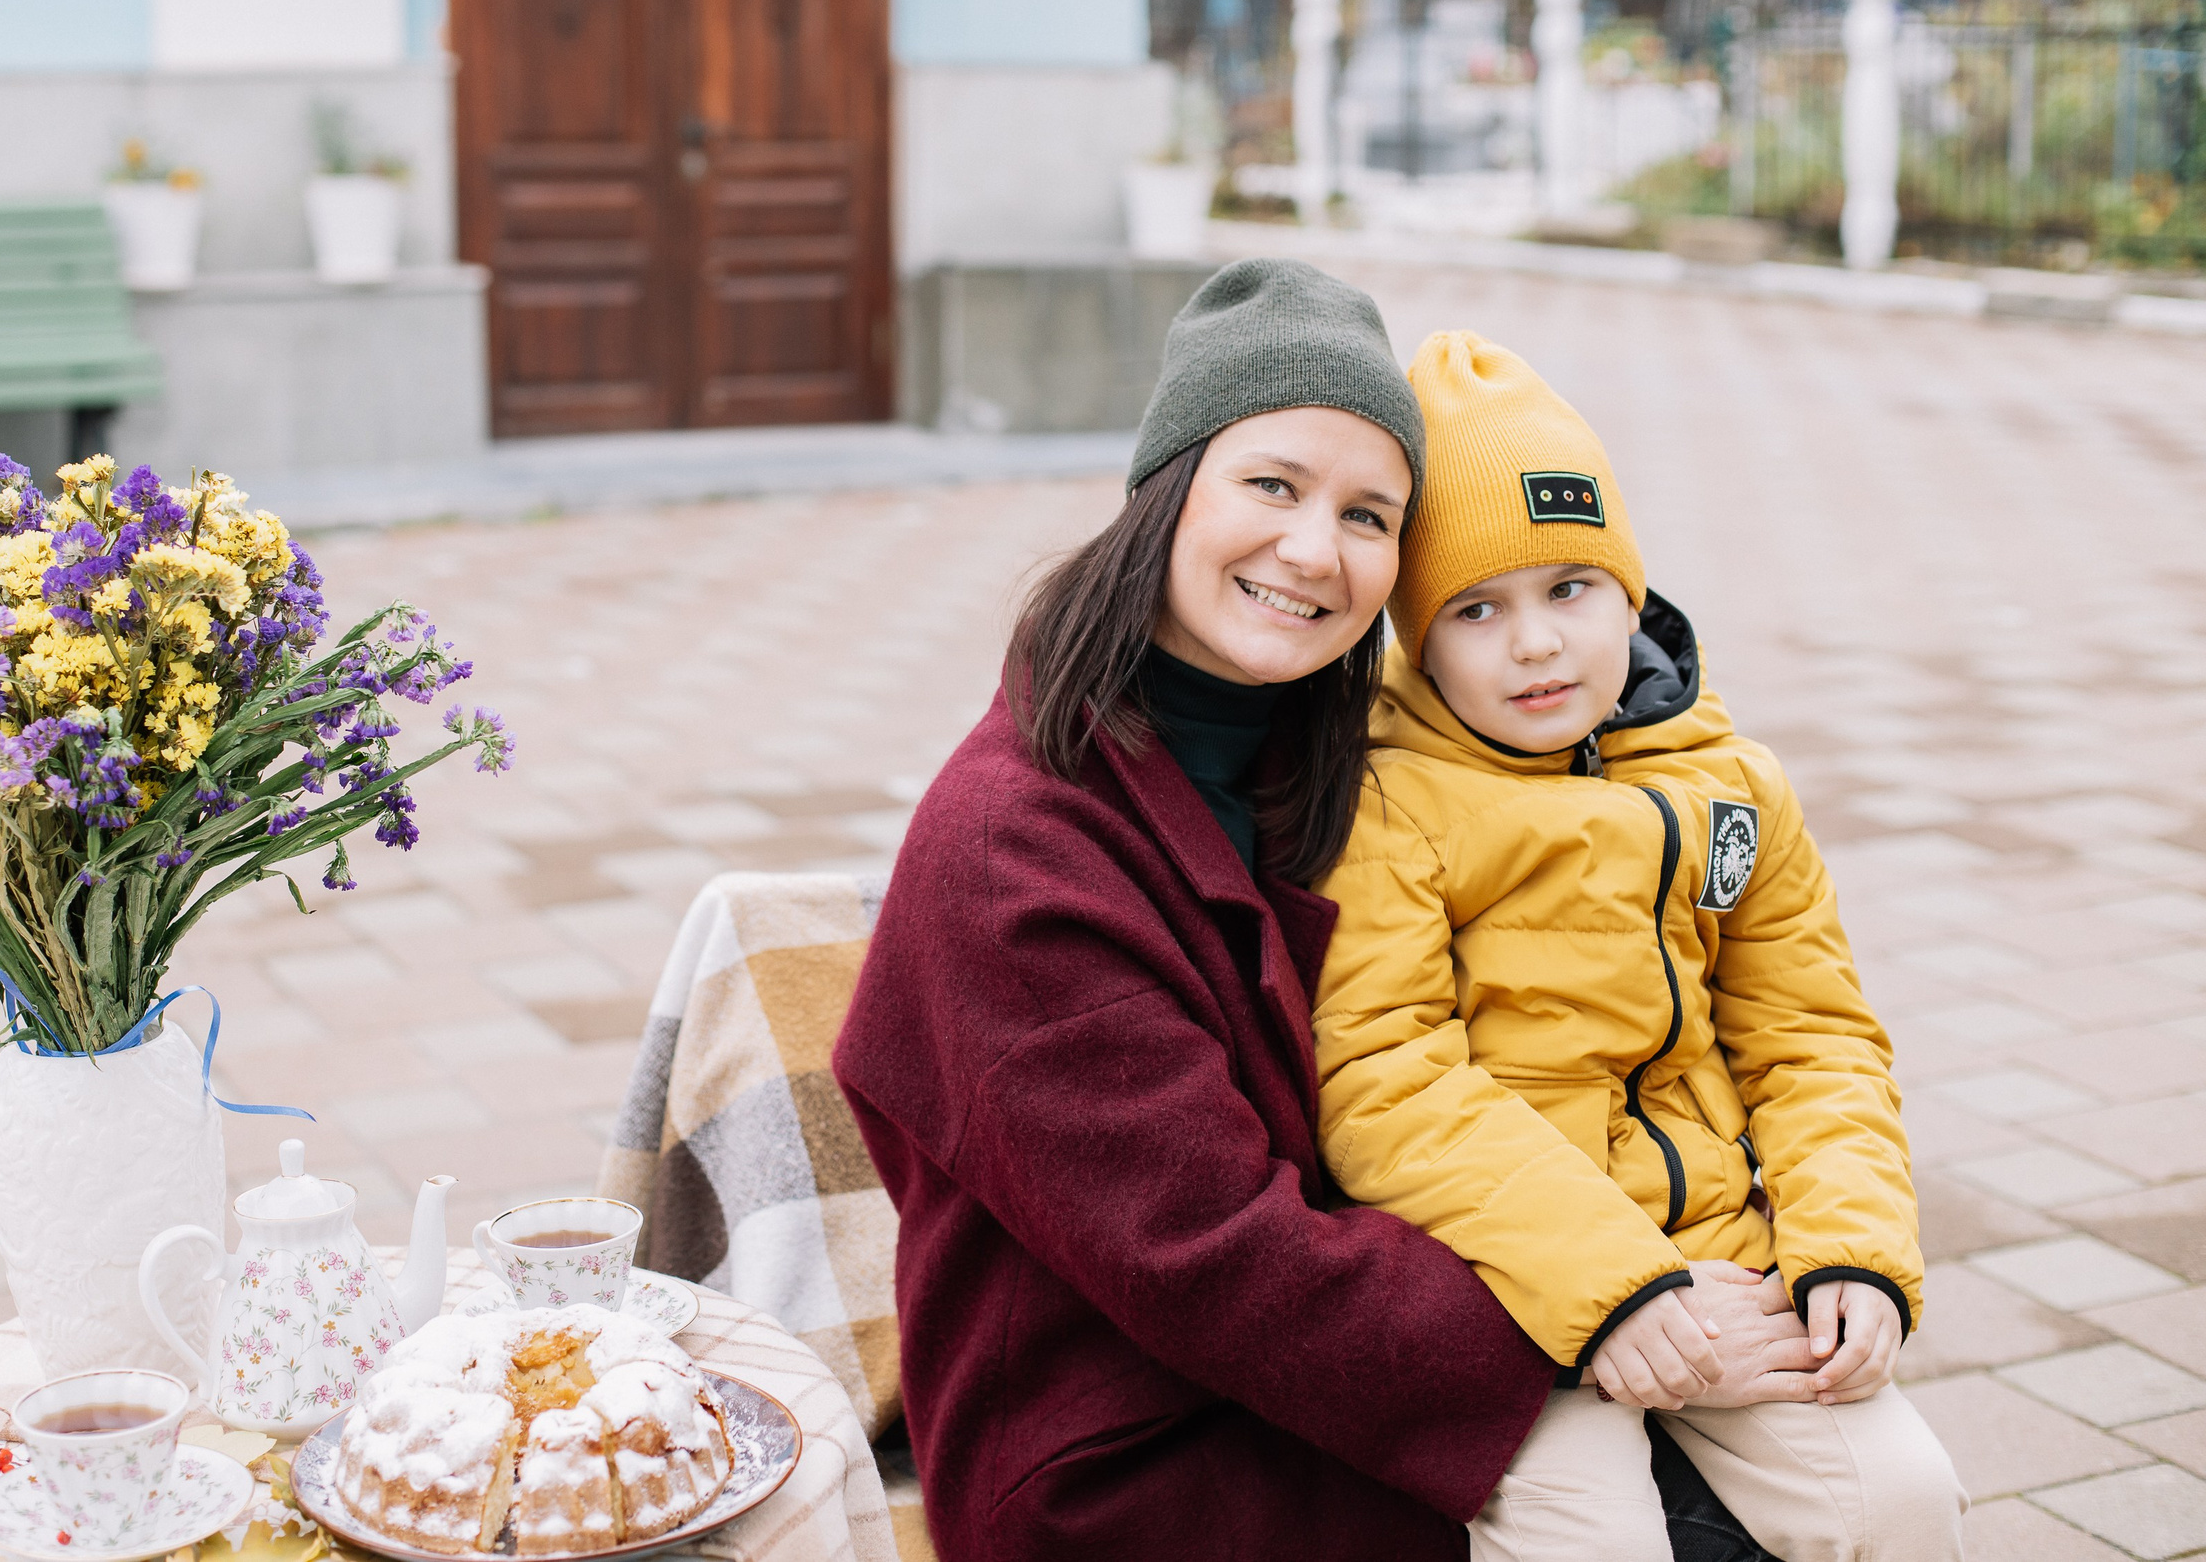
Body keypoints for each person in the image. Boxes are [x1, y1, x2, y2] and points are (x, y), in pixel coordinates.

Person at [832, 262, 1810, 1562]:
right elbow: (1208, 1249)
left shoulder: (1331, 754)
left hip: (1351, 1347)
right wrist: (1609, 1308)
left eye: (1368, 515)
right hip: (1132, 1449)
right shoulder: (1011, 849)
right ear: (1168, 488)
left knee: (1832, 1480)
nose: (1313, 550)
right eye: (1272, 485)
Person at [1310, 330, 1965, 1561]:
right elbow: (1384, 1080)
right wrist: (1611, 1283)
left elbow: (1812, 1034)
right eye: (1475, 609)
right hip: (1503, 1284)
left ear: (1630, 591)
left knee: (1899, 1501)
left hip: (1720, 1258)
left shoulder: (1729, 784)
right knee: (1592, 1540)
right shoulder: (1389, 803)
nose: (1536, 643)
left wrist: (1853, 1254)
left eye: (1570, 588)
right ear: (1414, 639)